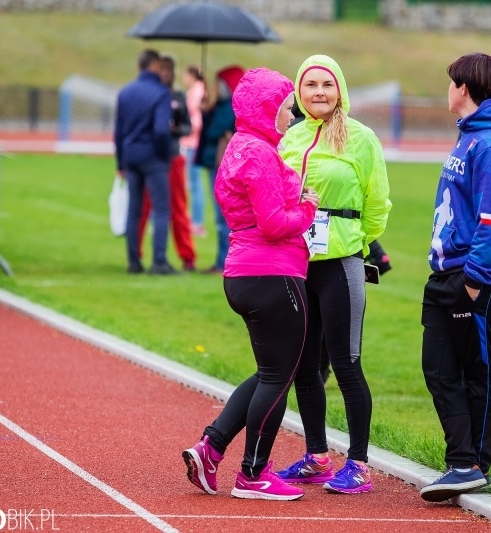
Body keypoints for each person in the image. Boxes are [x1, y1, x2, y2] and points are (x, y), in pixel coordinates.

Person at [181, 67, 320, 501]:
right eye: (286, 108)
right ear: (266, 108)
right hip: (272, 273)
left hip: (244, 271)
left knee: (269, 373)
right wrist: (309, 209)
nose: (291, 115)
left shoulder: (240, 147)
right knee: (279, 377)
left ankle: (211, 446)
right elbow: (275, 224)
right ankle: (253, 473)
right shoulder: (259, 153)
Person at [275, 55, 391, 494]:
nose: (319, 92)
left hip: (341, 263)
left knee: (346, 363)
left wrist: (353, 240)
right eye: (311, 85)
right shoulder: (290, 138)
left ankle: (358, 464)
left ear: (339, 89)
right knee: (305, 367)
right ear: (299, 92)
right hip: (295, 263)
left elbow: (378, 203)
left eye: (327, 84)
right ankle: (317, 457)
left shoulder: (361, 138)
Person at [418, 52, 491, 502]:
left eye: (450, 83)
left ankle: (473, 463)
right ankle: (461, 460)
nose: (447, 90)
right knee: (438, 367)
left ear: (463, 88)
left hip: (480, 273)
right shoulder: (470, 136)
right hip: (448, 271)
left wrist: (475, 279)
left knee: (479, 371)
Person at [114, 48, 173, 275]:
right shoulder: (161, 93)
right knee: (161, 209)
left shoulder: (125, 92)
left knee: (134, 210)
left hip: (131, 156)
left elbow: (118, 132)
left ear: (139, 66)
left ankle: (133, 261)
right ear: (155, 66)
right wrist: (164, 155)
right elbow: (161, 130)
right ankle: (159, 261)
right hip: (153, 157)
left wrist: (120, 163)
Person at [136, 54, 197, 272]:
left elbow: (188, 126)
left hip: (173, 157)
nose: (166, 73)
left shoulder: (177, 96)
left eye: (169, 69)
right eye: (162, 69)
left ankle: (187, 256)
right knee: (144, 207)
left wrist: (177, 129)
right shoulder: (150, 95)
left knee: (178, 208)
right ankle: (136, 254)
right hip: (152, 159)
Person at [193, 66, 245, 274]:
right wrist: (206, 111)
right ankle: (224, 260)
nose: (216, 88)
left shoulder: (229, 107)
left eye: (219, 84)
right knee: (222, 217)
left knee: (223, 217)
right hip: (220, 165)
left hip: (223, 167)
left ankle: (224, 261)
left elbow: (213, 131)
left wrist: (208, 112)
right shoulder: (223, 106)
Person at [181, 65, 208, 238]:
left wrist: (184, 128)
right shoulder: (198, 91)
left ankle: (197, 222)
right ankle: (195, 220)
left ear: (191, 75)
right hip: (193, 143)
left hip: (193, 144)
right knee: (194, 183)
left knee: (195, 184)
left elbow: (197, 121)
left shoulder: (197, 92)